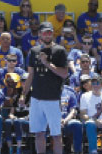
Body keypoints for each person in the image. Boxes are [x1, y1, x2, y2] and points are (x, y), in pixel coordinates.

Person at [21, 21, 68, 154]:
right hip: (36, 99)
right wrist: (23, 95)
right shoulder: (34, 51)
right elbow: (30, 75)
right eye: (45, 33)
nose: (47, 35)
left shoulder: (60, 51)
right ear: (40, 35)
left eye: (50, 32)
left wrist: (47, 63)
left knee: (56, 135)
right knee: (39, 134)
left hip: (52, 99)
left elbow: (64, 74)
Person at [79, 73, 102, 154]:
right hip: (91, 121)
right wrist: (95, 120)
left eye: (97, 83)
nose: (95, 85)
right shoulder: (85, 96)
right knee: (90, 124)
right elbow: (83, 114)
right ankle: (93, 151)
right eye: (93, 83)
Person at [1, 72, 29, 154]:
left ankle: (19, 148)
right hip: (16, 119)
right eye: (23, 81)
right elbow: (11, 112)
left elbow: (34, 113)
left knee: (17, 122)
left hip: (28, 120)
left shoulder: (33, 95)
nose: (25, 83)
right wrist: (11, 116)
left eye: (27, 81)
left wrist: (23, 118)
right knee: (8, 122)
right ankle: (10, 148)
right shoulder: (17, 95)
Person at [61, 84, 84, 154]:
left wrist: (65, 120)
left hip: (66, 121)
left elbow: (73, 111)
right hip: (51, 120)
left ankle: (77, 151)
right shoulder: (47, 92)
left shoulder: (69, 93)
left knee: (77, 124)